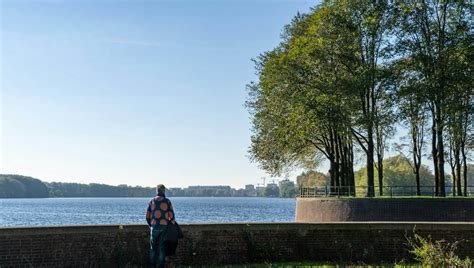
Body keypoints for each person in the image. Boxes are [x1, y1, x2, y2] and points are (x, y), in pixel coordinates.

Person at [146, 184, 176, 268]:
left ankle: (152, 266)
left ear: (157, 191)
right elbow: (172, 217)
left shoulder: (152, 201)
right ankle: (161, 266)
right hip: (164, 227)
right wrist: (169, 223)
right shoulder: (167, 201)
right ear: (164, 191)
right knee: (162, 247)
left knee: (153, 248)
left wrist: (151, 225)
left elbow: (147, 216)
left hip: (154, 227)